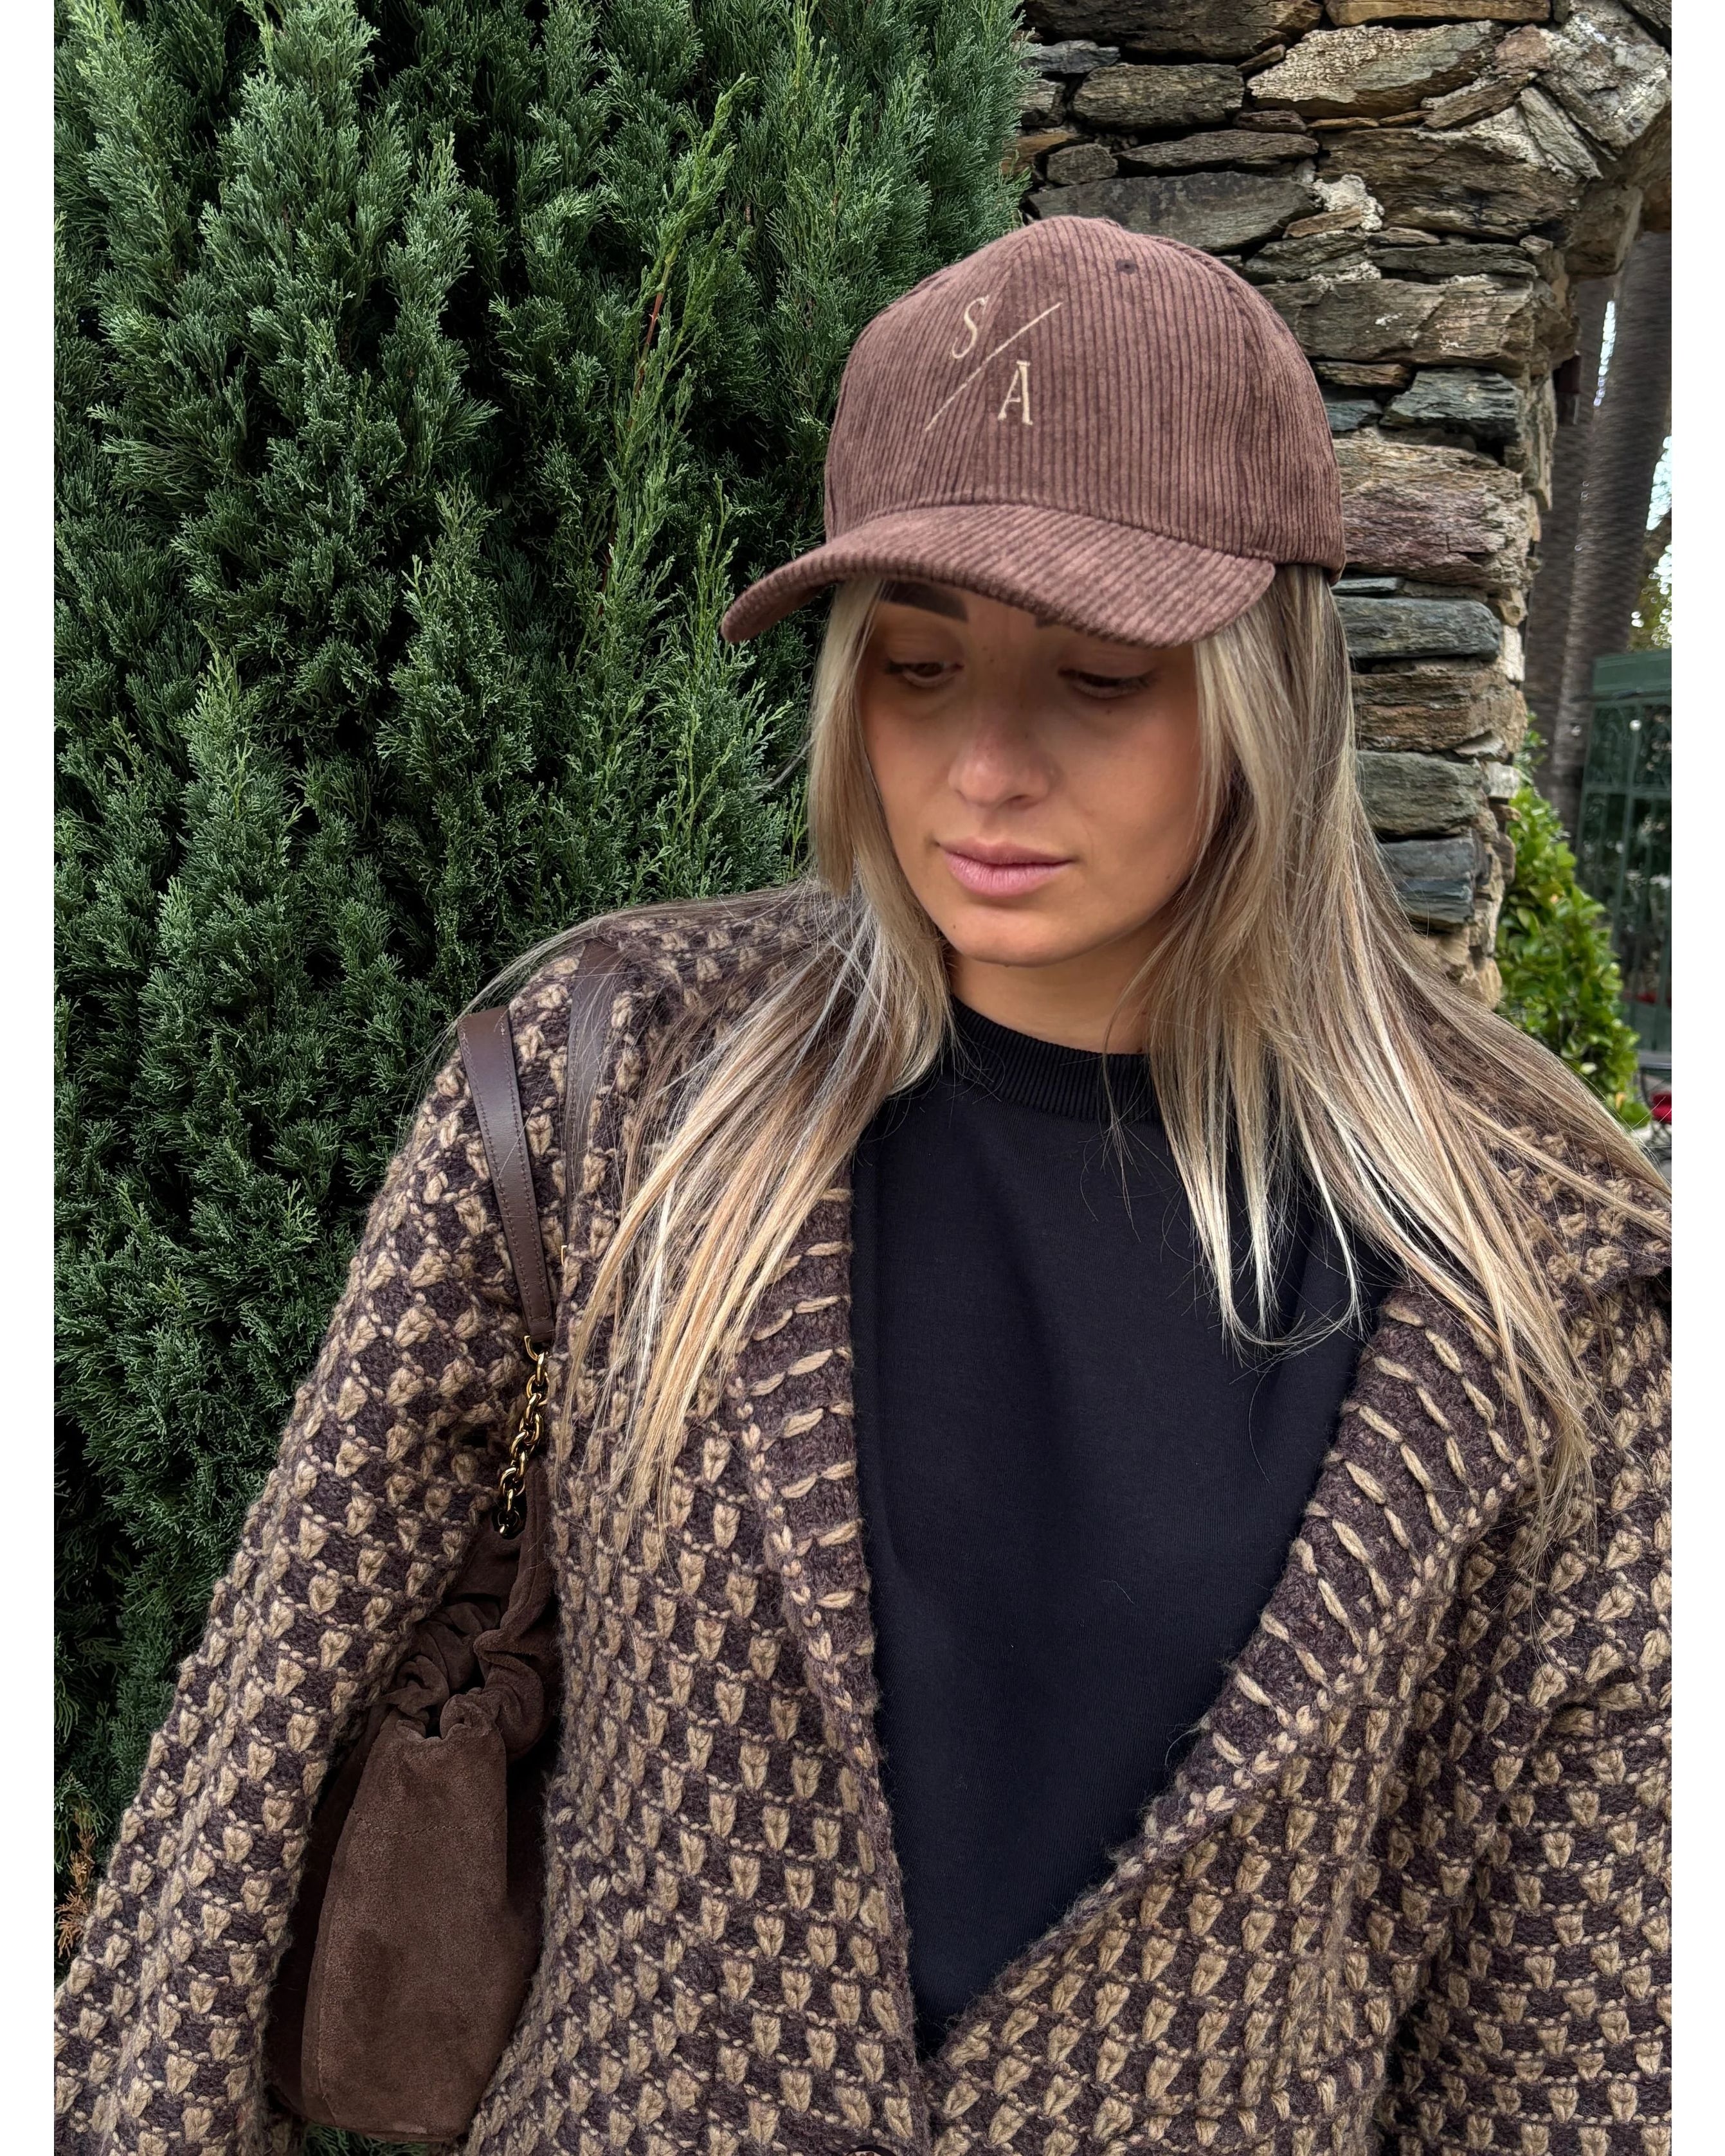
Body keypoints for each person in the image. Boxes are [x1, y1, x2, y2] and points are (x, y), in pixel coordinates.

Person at [56, 217, 1670, 2156]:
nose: (983, 765)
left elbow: (1573, 2012)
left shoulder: (1536, 1275)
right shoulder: (615, 1091)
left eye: (1097, 676)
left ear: (1269, 690)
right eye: (917, 662)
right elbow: (250, 1753)